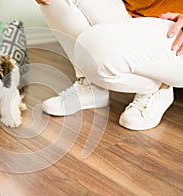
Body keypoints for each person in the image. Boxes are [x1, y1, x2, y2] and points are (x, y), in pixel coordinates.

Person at [35, 0, 183, 130]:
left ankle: (158, 87)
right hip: (135, 16)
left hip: (176, 28)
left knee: (95, 44)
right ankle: (92, 86)